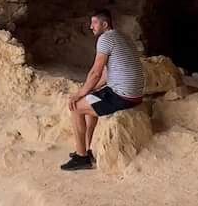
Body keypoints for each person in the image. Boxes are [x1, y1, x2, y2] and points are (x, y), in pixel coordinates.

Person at [60, 9, 145, 172]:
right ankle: (86, 150)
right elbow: (106, 76)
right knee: (91, 98)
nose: (90, 26)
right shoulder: (121, 37)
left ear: (104, 24)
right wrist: (87, 91)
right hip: (132, 94)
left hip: (122, 96)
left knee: (76, 108)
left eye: (94, 23)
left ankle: (81, 158)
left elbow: (95, 73)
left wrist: (78, 94)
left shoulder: (105, 39)